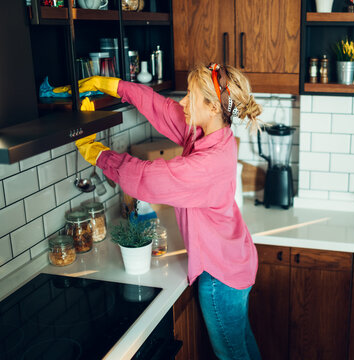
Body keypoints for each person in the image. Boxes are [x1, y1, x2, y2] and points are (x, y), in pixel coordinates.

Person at [75, 64, 262, 360]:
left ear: (213, 107)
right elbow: (162, 109)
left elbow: (149, 178)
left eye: (190, 96)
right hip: (235, 261)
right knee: (243, 346)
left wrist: (100, 155)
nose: (182, 103)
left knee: (232, 354)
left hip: (220, 277)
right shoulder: (210, 134)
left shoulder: (208, 163)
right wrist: (115, 86)